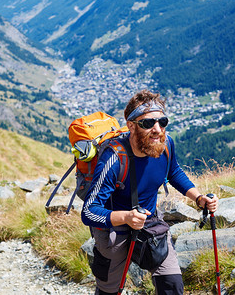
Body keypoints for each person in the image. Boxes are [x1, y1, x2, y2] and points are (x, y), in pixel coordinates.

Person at [81, 90, 219, 294]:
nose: (157, 129)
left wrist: (198, 198)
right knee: (109, 290)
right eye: (148, 123)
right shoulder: (114, 158)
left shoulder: (165, 145)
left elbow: (174, 172)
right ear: (131, 125)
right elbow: (89, 212)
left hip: (149, 224)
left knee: (171, 286)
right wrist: (126, 217)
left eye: (162, 122)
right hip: (113, 230)